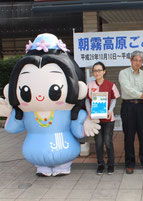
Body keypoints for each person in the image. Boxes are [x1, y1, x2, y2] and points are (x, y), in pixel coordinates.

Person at [0, 33, 100, 177]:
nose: (40, 97)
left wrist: (86, 123)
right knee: (42, 166)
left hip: (63, 147)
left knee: (63, 160)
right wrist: (10, 113)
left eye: (55, 90)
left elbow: (77, 130)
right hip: (34, 151)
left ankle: (63, 166)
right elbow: (13, 127)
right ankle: (42, 167)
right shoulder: (26, 112)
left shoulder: (68, 111)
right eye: (25, 91)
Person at [86, 62, 120, 175]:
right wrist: (89, 111)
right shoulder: (89, 85)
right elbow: (87, 99)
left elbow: (114, 99)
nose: (97, 73)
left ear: (104, 71)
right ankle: (100, 164)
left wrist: (110, 110)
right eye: (95, 70)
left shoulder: (111, 85)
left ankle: (111, 165)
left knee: (108, 142)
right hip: (95, 119)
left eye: (99, 70)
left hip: (108, 120)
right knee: (98, 143)